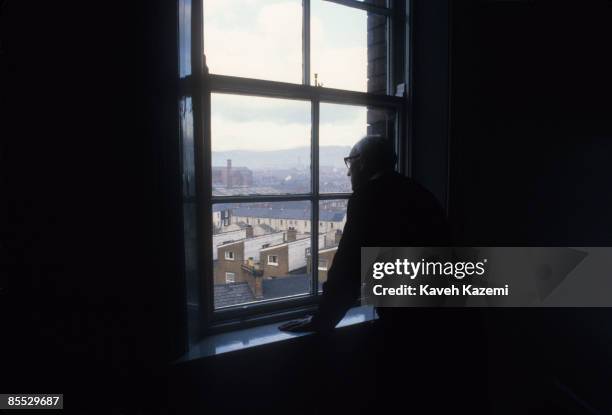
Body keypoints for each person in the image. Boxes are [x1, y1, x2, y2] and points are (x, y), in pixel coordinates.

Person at [279, 134, 450, 333]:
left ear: (362, 162)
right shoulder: (419, 191)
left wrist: (323, 320)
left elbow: (348, 267)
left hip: (410, 319)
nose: (348, 173)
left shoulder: (368, 197)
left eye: (349, 163)